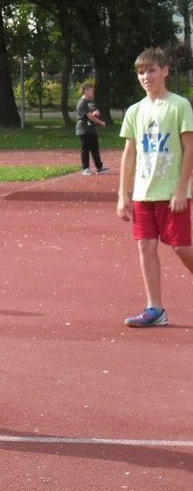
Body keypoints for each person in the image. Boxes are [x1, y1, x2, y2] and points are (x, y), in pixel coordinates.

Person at [117, 47, 193, 327]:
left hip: (171, 191)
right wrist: (123, 194)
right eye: (141, 72)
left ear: (165, 71)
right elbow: (129, 153)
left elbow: (189, 148)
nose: (146, 76)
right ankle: (155, 309)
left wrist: (181, 189)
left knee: (181, 247)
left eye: (151, 70)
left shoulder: (179, 105)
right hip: (143, 193)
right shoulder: (135, 111)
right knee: (145, 246)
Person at [75, 83, 108, 175]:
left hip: (91, 129)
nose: (92, 92)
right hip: (84, 129)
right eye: (90, 90)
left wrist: (97, 112)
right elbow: (90, 116)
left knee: (95, 148)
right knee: (85, 149)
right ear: (85, 91)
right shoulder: (82, 103)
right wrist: (101, 122)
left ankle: (99, 167)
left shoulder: (90, 101)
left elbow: (95, 112)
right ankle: (85, 168)